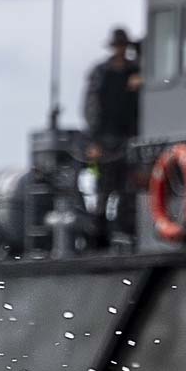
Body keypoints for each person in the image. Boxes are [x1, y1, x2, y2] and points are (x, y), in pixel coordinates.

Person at [81, 27, 144, 244]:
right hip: (105, 139)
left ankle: (125, 232)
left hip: (128, 138)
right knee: (103, 190)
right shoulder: (101, 73)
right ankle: (97, 238)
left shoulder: (135, 72)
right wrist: (93, 141)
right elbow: (91, 108)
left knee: (127, 190)